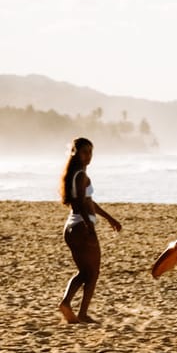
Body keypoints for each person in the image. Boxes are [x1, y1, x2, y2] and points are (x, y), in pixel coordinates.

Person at [58, 137, 122, 324]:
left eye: (91, 152)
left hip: (72, 227)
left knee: (84, 272)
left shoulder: (75, 174)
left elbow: (89, 202)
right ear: (75, 153)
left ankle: (66, 303)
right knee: (92, 274)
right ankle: (82, 313)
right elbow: (79, 203)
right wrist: (89, 226)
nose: (89, 156)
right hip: (80, 228)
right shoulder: (81, 176)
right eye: (85, 152)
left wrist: (110, 218)